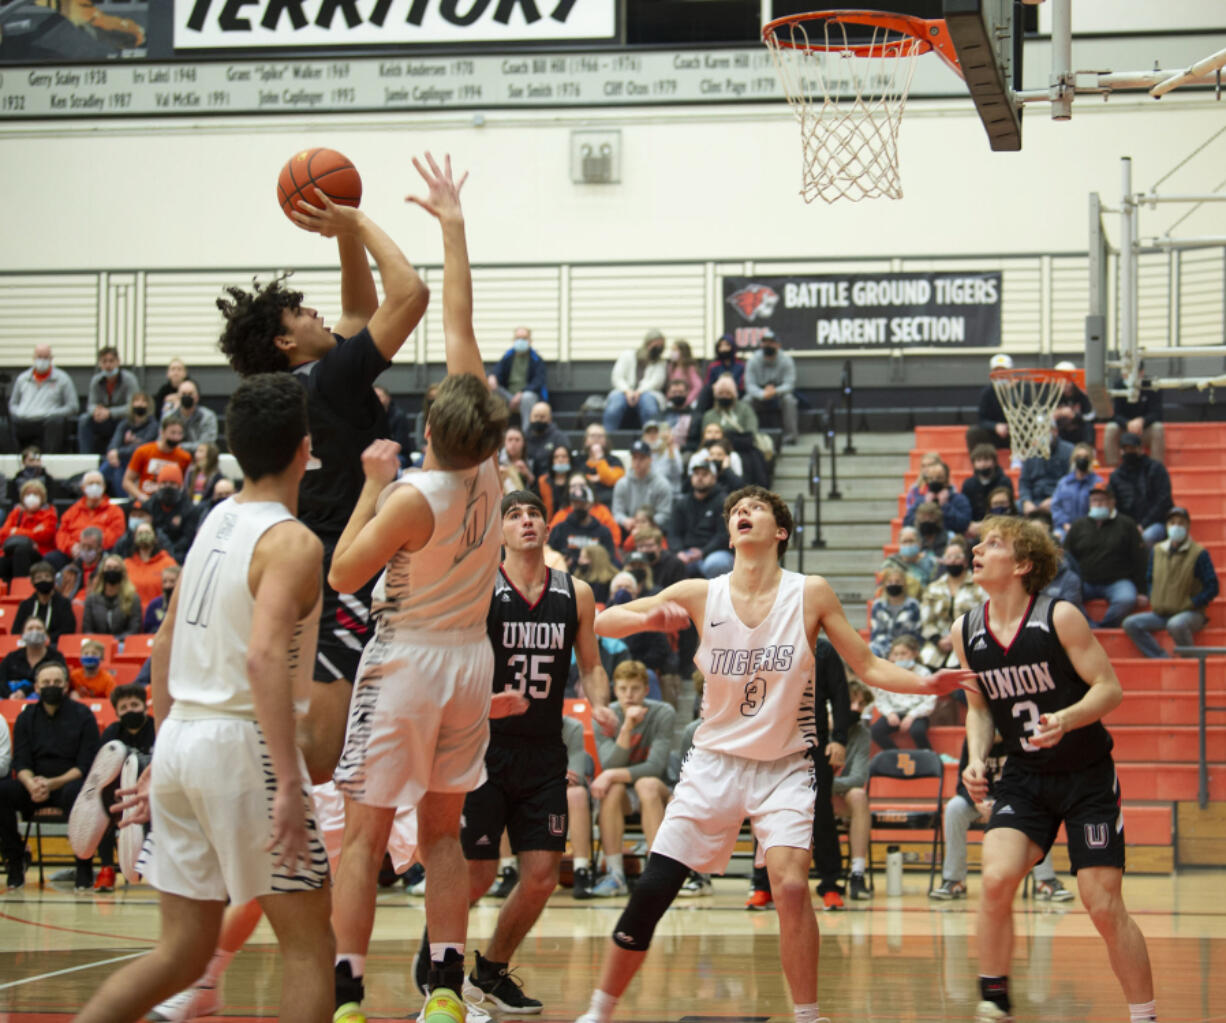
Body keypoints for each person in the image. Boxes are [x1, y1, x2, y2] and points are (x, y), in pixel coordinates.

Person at [574, 484, 967, 1023]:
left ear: (779, 532)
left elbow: (870, 666)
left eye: (755, 508)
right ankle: (598, 1011)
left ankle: (808, 1015)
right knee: (654, 889)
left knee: (788, 883)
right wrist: (651, 619)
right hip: (713, 762)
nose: (743, 513)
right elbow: (603, 621)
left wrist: (928, 684)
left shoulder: (811, 593)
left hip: (785, 767)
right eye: (736, 510)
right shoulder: (698, 592)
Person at [70, 371, 335, 1023]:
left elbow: (162, 644)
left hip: (184, 736)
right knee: (308, 944)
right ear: (305, 449)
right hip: (244, 744)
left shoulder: (215, 518)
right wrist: (287, 786)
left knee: (183, 951)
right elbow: (264, 655)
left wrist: (164, 751)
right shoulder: (292, 541)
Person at [326, 153, 508, 1023]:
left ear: (431, 428)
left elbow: (343, 572)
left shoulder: (411, 495)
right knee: (443, 830)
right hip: (472, 663)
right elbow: (462, 321)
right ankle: (441, 985)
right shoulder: (494, 473)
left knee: (362, 833)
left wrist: (370, 479)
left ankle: (349, 989)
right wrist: (453, 225)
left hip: (406, 662)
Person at [216, 155, 429, 790]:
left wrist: (340, 241)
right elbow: (409, 296)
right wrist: (357, 220)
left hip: (319, 556)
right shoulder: (331, 380)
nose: (317, 315)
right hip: (351, 566)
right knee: (324, 754)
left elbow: (359, 313)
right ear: (286, 342)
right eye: (303, 315)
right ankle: (260, 807)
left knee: (333, 739)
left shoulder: (298, 386)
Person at [951, 516, 1155, 1023]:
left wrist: (1064, 719)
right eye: (979, 542)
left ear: (1022, 565)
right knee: (997, 877)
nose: (978, 549)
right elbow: (979, 710)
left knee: (1101, 904)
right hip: (1024, 773)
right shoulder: (966, 629)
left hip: (1086, 774)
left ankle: (1144, 1014)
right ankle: (994, 997)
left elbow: (1109, 689)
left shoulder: (1058, 616)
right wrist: (977, 758)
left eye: (993, 544)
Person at [443, 489, 614, 1014]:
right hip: (484, 747)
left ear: (546, 526)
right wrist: (483, 703)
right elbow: (452, 662)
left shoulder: (576, 593)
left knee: (541, 877)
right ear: (499, 533)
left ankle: (490, 972)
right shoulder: (479, 587)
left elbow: (590, 666)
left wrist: (601, 703)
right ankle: (440, 961)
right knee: (477, 873)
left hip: (543, 751)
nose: (525, 522)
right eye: (513, 516)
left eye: (533, 514)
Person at [930, 732, 1073, 903]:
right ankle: (954, 881)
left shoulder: (1017, 738)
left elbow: (1031, 780)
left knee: (1040, 807)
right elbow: (962, 784)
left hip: (1013, 798)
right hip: (980, 801)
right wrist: (976, 802)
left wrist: (1001, 804)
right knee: (954, 808)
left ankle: (1044, 880)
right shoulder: (974, 740)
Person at [1, 659, 99, 891]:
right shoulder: (27, 717)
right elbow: (21, 760)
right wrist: (30, 783)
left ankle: (83, 865)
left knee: (79, 793)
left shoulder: (83, 715)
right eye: (46, 682)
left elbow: (86, 764)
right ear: (36, 687)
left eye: (57, 682)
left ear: (66, 686)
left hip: (68, 783)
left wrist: (52, 783)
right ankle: (15, 860)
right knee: (2, 791)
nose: (51, 686)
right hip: (33, 785)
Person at [587, 660, 676, 897]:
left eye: (635, 688)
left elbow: (655, 768)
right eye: (623, 689)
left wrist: (611, 774)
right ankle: (616, 875)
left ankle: (656, 875)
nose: (629, 695)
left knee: (645, 785)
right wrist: (626, 727)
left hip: (658, 790)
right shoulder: (605, 717)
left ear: (646, 690)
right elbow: (609, 764)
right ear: (614, 690)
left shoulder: (663, 712)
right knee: (613, 788)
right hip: (623, 794)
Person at [70, 683, 157, 893]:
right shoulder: (111, 733)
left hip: (151, 792)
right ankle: (107, 868)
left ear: (145, 707)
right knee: (105, 812)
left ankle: (151, 864)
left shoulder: (156, 727)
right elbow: (101, 772)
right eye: (124, 707)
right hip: (119, 794)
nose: (130, 711)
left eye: (135, 705)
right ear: (117, 712)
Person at [1122, 506, 1219, 658]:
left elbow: (1213, 586)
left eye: (1181, 523)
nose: (1176, 526)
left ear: (1188, 526)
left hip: (1190, 613)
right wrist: (1153, 596)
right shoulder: (1157, 550)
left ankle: (1191, 661)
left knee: (1176, 624)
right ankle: (1161, 658)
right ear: (1167, 526)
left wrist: (1192, 603)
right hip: (1161, 613)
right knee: (1130, 623)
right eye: (1172, 522)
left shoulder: (1199, 553)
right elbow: (1149, 577)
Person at [1063, 487, 1145, 628]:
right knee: (1063, 597)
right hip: (1085, 582)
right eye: (1094, 500)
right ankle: (1088, 626)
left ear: (1112, 502)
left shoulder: (1127, 524)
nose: (1098, 504)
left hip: (1117, 581)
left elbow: (1139, 558)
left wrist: (1141, 590)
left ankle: (1103, 628)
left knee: (1126, 599)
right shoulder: (1078, 525)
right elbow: (1066, 556)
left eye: (1102, 500)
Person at [833, 679, 874, 903]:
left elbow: (858, 778)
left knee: (858, 795)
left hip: (836, 796)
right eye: (852, 702)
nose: (857, 708)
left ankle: (857, 872)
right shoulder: (817, 724)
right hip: (809, 796)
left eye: (862, 704)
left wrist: (826, 784)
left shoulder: (861, 734)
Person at [918, 539, 985, 671]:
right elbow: (926, 621)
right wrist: (938, 640)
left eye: (957, 557)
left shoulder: (980, 586)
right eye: (949, 557)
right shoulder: (933, 588)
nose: (953, 560)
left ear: (966, 561)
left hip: (970, 645)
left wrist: (958, 639)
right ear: (944, 561)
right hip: (936, 646)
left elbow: (984, 618)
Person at [870, 635, 935, 751]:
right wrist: (889, 713)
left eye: (904, 653)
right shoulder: (888, 672)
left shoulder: (924, 673)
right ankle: (896, 756)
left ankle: (928, 757)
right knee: (876, 731)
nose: (900, 658)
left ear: (915, 653)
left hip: (917, 714)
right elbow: (881, 698)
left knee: (917, 731)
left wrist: (912, 715)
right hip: (894, 712)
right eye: (896, 654)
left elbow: (930, 700)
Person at [668, 460, 732, 578]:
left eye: (705, 474)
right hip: (687, 552)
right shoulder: (682, 502)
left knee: (716, 564)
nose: (700, 478)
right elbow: (673, 532)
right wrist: (679, 552)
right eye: (696, 474)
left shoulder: (724, 502)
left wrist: (703, 552)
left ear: (714, 478)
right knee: (670, 562)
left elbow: (723, 535)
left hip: (715, 552)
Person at [1107, 432, 1173, 545]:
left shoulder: (1156, 469)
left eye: (1132, 448)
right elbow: (1113, 503)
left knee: (1147, 537)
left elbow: (1163, 500)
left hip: (1156, 522)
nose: (1129, 452)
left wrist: (1143, 525)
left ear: (1140, 449)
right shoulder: (1116, 476)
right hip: (1127, 524)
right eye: (1125, 449)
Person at [9, 344, 77, 452]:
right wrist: (18, 413)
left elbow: (73, 407)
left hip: (48, 421)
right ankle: (15, 458)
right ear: (33, 358)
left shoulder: (63, 379)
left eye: (45, 357)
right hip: (25, 419)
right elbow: (13, 404)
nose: (42, 360)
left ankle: (50, 457)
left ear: (51, 358)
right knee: (9, 422)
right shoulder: (22, 379)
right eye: (39, 357)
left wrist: (53, 413)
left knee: (56, 422)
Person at [54, 469, 126, 571]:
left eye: (98, 483)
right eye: (91, 483)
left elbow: (115, 534)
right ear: (83, 488)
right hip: (74, 552)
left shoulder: (115, 511)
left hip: (101, 552)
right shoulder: (72, 511)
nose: (94, 486)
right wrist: (71, 547)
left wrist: (90, 547)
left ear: (104, 487)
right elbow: (61, 534)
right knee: (52, 558)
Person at [78, 346, 141, 456]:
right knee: (84, 419)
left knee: (125, 421)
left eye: (111, 361)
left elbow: (132, 406)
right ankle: (86, 456)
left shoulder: (129, 379)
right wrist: (96, 411)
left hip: (122, 419)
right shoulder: (96, 380)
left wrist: (110, 412)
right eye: (104, 361)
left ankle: (114, 454)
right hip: (103, 420)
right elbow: (91, 405)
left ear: (118, 362)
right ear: (100, 364)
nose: (108, 365)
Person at [548, 477, 620, 568]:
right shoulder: (559, 529)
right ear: (571, 504)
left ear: (590, 504)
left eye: (582, 503)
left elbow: (610, 560)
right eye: (575, 503)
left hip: (595, 577)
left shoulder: (603, 532)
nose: (579, 507)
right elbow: (549, 557)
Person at [604, 330, 668, 432]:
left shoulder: (661, 363)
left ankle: (652, 440)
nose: (658, 349)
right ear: (647, 343)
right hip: (623, 392)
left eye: (661, 346)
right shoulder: (627, 355)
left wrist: (639, 392)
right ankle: (608, 438)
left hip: (648, 393)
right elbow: (617, 377)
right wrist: (627, 391)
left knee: (650, 407)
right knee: (614, 406)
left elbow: (657, 382)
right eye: (656, 345)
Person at [744, 328, 799, 445]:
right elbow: (749, 385)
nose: (767, 345)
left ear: (778, 345)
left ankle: (790, 437)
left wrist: (774, 391)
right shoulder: (753, 360)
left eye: (771, 342)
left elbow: (789, 384)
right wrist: (762, 394)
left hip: (778, 395)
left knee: (789, 400)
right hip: (759, 395)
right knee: (746, 400)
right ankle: (749, 435)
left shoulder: (786, 360)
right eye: (765, 342)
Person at [488, 326, 549, 431]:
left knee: (527, 397)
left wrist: (521, 393)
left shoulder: (536, 359)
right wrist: (492, 376)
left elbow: (538, 381)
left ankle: (527, 435)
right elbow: (497, 370)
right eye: (518, 338)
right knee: (492, 390)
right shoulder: (508, 356)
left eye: (524, 338)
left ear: (530, 341)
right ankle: (496, 433)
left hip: (525, 397)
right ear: (513, 340)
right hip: (508, 396)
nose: (520, 341)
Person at [123, 413, 192, 502]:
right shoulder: (143, 451)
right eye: (172, 433)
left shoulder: (185, 457)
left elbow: (184, 486)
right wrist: (141, 496)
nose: (176, 437)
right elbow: (127, 481)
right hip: (146, 499)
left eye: (179, 434)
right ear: (162, 432)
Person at [1104, 362, 1164, 465]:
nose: (1127, 376)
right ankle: (1112, 468)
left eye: (1132, 373)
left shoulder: (1152, 385)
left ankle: (1156, 467)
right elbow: (1114, 414)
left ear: (1142, 372)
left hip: (1144, 430)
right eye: (1126, 372)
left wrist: (1142, 421)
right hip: (1125, 429)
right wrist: (1127, 423)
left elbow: (1157, 413)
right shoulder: (1118, 385)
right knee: (1111, 428)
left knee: (1158, 428)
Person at [0, 478, 57, 584]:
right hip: (12, 552)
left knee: (21, 551)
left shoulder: (49, 514)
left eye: (35, 494)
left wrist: (16, 531)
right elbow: (2, 534)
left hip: (39, 553)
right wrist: (31, 533)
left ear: (42, 497)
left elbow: (45, 535)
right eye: (28, 494)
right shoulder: (16, 513)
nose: (31, 497)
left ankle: (20, 588)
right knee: (3, 560)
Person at [611, 440, 673, 537]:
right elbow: (617, 513)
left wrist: (646, 523)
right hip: (628, 531)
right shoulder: (622, 483)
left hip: (654, 531)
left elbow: (665, 514)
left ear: (650, 459)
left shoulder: (662, 484)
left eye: (642, 458)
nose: (637, 462)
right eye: (634, 458)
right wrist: (625, 520)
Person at [103, 392, 158, 496]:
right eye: (137, 401)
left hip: (141, 461)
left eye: (143, 401)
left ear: (149, 405)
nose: (140, 404)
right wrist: (113, 452)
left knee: (118, 466)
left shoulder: (153, 425)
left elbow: (144, 447)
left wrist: (118, 453)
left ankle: (123, 499)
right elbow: (115, 441)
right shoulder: (125, 423)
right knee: (113, 464)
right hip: (120, 459)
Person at [2, 616, 67, 699]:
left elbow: (62, 681)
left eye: (39, 628)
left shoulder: (56, 657)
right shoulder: (11, 657)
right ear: (22, 634)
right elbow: (1, 680)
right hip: (10, 698)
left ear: (46, 634)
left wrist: (25, 691)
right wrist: (9, 695)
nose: (35, 632)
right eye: (30, 628)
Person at [147, 463, 201, 561]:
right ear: (158, 485)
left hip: (180, 554)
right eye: (164, 483)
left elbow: (188, 538)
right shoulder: (150, 505)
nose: (167, 487)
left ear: (179, 486)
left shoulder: (190, 509)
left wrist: (170, 552)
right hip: (152, 551)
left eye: (172, 484)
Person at [903, 460, 972, 536]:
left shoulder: (959, 499)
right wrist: (925, 506)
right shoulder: (920, 500)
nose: (935, 481)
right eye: (931, 478)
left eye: (939, 478)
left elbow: (964, 524)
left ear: (947, 479)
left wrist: (945, 505)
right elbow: (907, 522)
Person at [1017, 424, 1073, 517]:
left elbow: (1070, 481)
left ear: (1055, 431)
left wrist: (1054, 499)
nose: (1042, 434)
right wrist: (1026, 501)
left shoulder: (1069, 450)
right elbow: (1024, 482)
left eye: (1046, 430)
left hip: (1058, 497)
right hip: (1034, 499)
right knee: (1016, 505)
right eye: (1039, 431)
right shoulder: (1031, 453)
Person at [81, 553, 142, 638]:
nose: (112, 571)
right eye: (108, 568)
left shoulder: (133, 599)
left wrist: (114, 642)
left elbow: (133, 630)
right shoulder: (91, 599)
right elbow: (87, 629)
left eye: (116, 568)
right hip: (97, 645)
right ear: (102, 572)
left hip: (122, 644)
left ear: (122, 573)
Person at [1050, 443, 1102, 539]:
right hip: (1064, 528)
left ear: (1091, 460)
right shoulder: (1064, 483)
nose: (1082, 459)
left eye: (1085, 457)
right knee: (1055, 539)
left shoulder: (1097, 483)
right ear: (1073, 460)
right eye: (1078, 456)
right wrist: (1065, 524)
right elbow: (1056, 507)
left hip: (1090, 529)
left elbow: (1100, 508)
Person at [15, 560, 77, 643]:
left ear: (53, 580)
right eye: (39, 578)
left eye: (47, 577)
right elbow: (16, 631)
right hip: (28, 645)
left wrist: (47, 639)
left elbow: (68, 629)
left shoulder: (64, 604)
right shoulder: (25, 605)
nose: (43, 580)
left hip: (55, 645)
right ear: (33, 582)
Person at [869, 564, 922, 657]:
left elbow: (915, 634)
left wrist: (897, 652)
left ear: (904, 584)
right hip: (882, 646)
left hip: (906, 647)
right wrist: (890, 651)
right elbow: (876, 634)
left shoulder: (913, 605)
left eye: (897, 581)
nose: (893, 584)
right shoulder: (878, 605)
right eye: (890, 581)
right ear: (885, 584)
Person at [965, 353, 1013, 453]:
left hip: (1015, 434)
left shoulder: (1020, 390)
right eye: (996, 370)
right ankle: (980, 462)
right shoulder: (987, 392)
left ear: (1011, 372)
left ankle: (1022, 461)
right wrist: (995, 426)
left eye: (1003, 370)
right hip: (994, 434)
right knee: (973, 433)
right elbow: (981, 419)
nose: (1000, 374)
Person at [124, 522, 180, 609]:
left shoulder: (168, 563)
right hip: (133, 614)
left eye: (147, 532)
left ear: (155, 537)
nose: (143, 536)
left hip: (159, 613)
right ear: (134, 537)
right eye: (140, 533)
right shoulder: (126, 564)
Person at [961, 444, 1013, 536]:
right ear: (974, 463)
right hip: (975, 527)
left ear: (994, 461)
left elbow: (1009, 509)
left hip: (1001, 525)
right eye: (979, 460)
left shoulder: (1004, 481)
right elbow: (965, 510)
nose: (983, 464)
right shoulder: (968, 484)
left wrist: (985, 525)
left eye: (986, 460)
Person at [580, 423, 626, 508]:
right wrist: (598, 477)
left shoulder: (615, 461)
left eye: (600, 436)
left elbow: (611, 480)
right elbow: (576, 481)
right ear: (586, 441)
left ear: (605, 441)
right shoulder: (579, 460)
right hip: (583, 504)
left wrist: (600, 457)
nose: (596, 439)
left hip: (609, 504)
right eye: (593, 436)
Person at [886, 525, 939, 597]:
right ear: (899, 544)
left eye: (911, 541)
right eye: (904, 541)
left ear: (919, 543)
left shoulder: (931, 563)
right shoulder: (891, 563)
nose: (908, 545)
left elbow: (935, 587)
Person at [1051, 361, 1096, 446]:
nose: (1064, 384)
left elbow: (1091, 416)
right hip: (1060, 433)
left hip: (1079, 433)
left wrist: (1074, 415)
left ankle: (1088, 450)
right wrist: (1059, 413)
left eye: (1067, 380)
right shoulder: (1051, 395)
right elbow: (1042, 416)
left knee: (1088, 427)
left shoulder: (1082, 394)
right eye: (1061, 380)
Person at [524, 402, 571, 478]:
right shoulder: (523, 437)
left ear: (550, 419)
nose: (538, 420)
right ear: (530, 417)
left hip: (550, 480)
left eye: (542, 417)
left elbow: (566, 461)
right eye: (535, 416)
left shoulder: (559, 437)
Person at [175, 380, 219, 454]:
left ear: (197, 397)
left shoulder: (208, 416)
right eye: (183, 394)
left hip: (200, 458)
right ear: (178, 396)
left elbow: (206, 445)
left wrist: (179, 447)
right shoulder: (169, 416)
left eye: (190, 394)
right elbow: (163, 442)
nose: (187, 397)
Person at [141, 564, 182, 634]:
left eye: (172, 581)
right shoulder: (154, 605)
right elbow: (147, 630)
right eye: (165, 581)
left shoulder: (186, 605)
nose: (168, 585)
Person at [665, 340, 703, 405]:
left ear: (683, 352)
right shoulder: (671, 367)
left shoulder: (690, 368)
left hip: (687, 400)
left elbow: (698, 386)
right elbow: (669, 386)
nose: (673, 353)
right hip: (673, 400)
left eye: (675, 350)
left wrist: (688, 400)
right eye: (672, 350)